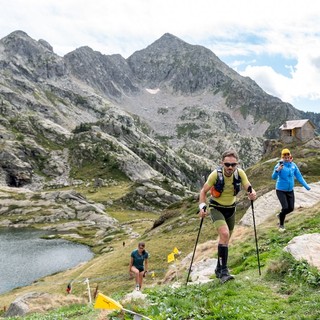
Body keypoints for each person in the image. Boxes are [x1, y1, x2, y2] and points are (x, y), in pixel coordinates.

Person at [199, 150, 256, 283]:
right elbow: (203, 191)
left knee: (226, 239)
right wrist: (202, 207)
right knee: (224, 235)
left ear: (237, 164)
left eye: (233, 164)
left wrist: (252, 193)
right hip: (216, 208)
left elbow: (249, 187)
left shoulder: (240, 173)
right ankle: (224, 272)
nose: (230, 167)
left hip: (231, 209)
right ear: (222, 163)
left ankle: (218, 268)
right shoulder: (215, 175)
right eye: (227, 164)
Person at [272, 148, 311, 232]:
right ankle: (281, 225)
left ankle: (280, 215)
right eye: (284, 156)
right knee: (285, 208)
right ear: (282, 157)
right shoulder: (279, 165)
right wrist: (277, 170)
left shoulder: (293, 165)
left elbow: (299, 176)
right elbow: (273, 177)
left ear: (290, 156)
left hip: (290, 190)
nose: (286, 158)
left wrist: (306, 186)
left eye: (287, 156)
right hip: (280, 190)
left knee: (291, 208)